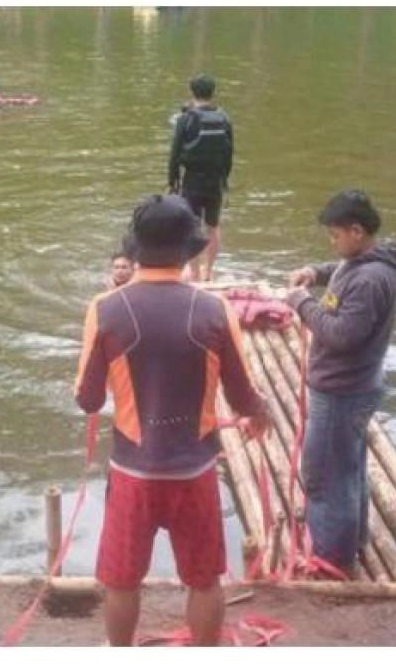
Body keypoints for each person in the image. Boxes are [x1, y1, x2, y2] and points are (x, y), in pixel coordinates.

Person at [75, 194, 269, 646]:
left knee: (122, 580)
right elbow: (242, 395)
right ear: (188, 252)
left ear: (136, 250)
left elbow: (87, 400)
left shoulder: (104, 308)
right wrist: (259, 415)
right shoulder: (216, 310)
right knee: (204, 580)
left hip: (133, 473)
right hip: (195, 471)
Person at [281, 189, 396, 576]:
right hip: (355, 386)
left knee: (324, 476)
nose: (332, 241)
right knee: (348, 468)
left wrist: (300, 301)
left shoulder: (371, 279)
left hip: (342, 392)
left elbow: (340, 334)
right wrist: (317, 274)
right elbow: (343, 273)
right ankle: (349, 541)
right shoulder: (366, 261)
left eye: (335, 234)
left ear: (356, 231)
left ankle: (330, 561)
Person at [167, 73, 234, 283]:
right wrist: (224, 178)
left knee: (192, 226)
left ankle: (194, 273)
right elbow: (230, 151)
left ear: (191, 92)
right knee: (213, 226)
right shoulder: (224, 117)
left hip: (193, 179)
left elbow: (175, 153)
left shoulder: (186, 119)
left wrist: (173, 180)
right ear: (213, 93)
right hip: (215, 180)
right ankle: (209, 272)